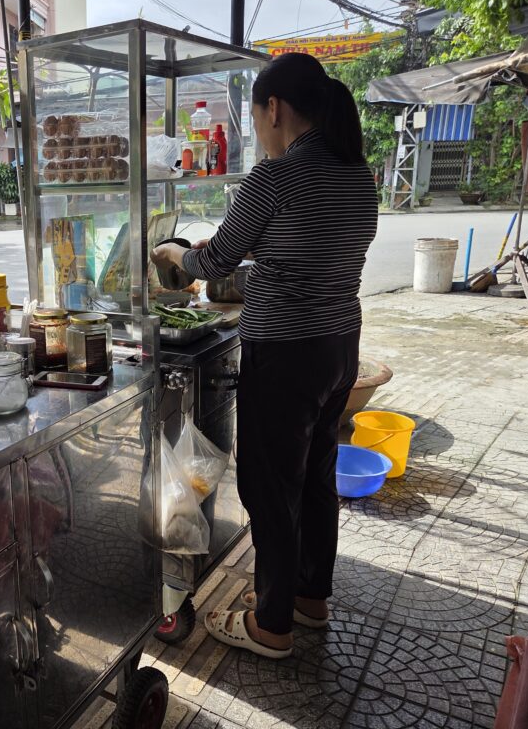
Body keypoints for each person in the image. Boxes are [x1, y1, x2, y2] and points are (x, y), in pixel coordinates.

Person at [151, 52, 378, 659]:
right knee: (316, 478)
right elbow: (311, 250)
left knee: (271, 486)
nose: (258, 130)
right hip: (338, 347)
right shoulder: (358, 175)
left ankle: (272, 624)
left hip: (285, 353)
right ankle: (308, 597)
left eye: (255, 117)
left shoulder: (274, 178)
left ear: (274, 108)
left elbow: (211, 263)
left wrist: (174, 255)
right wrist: (252, 253)